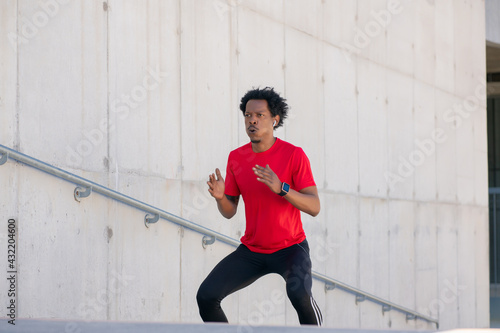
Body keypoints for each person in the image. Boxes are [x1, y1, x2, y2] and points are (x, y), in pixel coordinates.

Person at [196, 87, 322, 326]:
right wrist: (221, 198)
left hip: (290, 249)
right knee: (206, 296)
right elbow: (229, 211)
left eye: (259, 115)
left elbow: (314, 206)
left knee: (300, 296)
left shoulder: (294, 155)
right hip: (253, 251)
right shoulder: (236, 157)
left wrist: (282, 188)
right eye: (247, 115)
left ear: (275, 120)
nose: (252, 120)